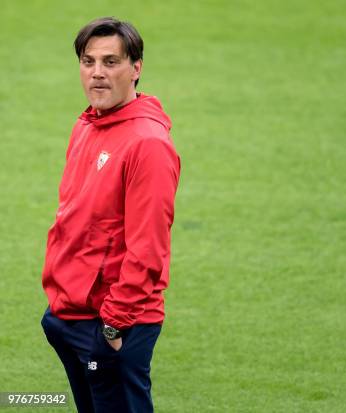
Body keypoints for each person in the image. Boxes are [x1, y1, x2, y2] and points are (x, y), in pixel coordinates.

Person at [40, 17, 181, 413]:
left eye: (111, 62)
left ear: (136, 68)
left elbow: (148, 249)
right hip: (70, 314)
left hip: (112, 322)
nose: (97, 74)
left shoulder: (148, 146)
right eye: (88, 62)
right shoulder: (87, 124)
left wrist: (114, 326)